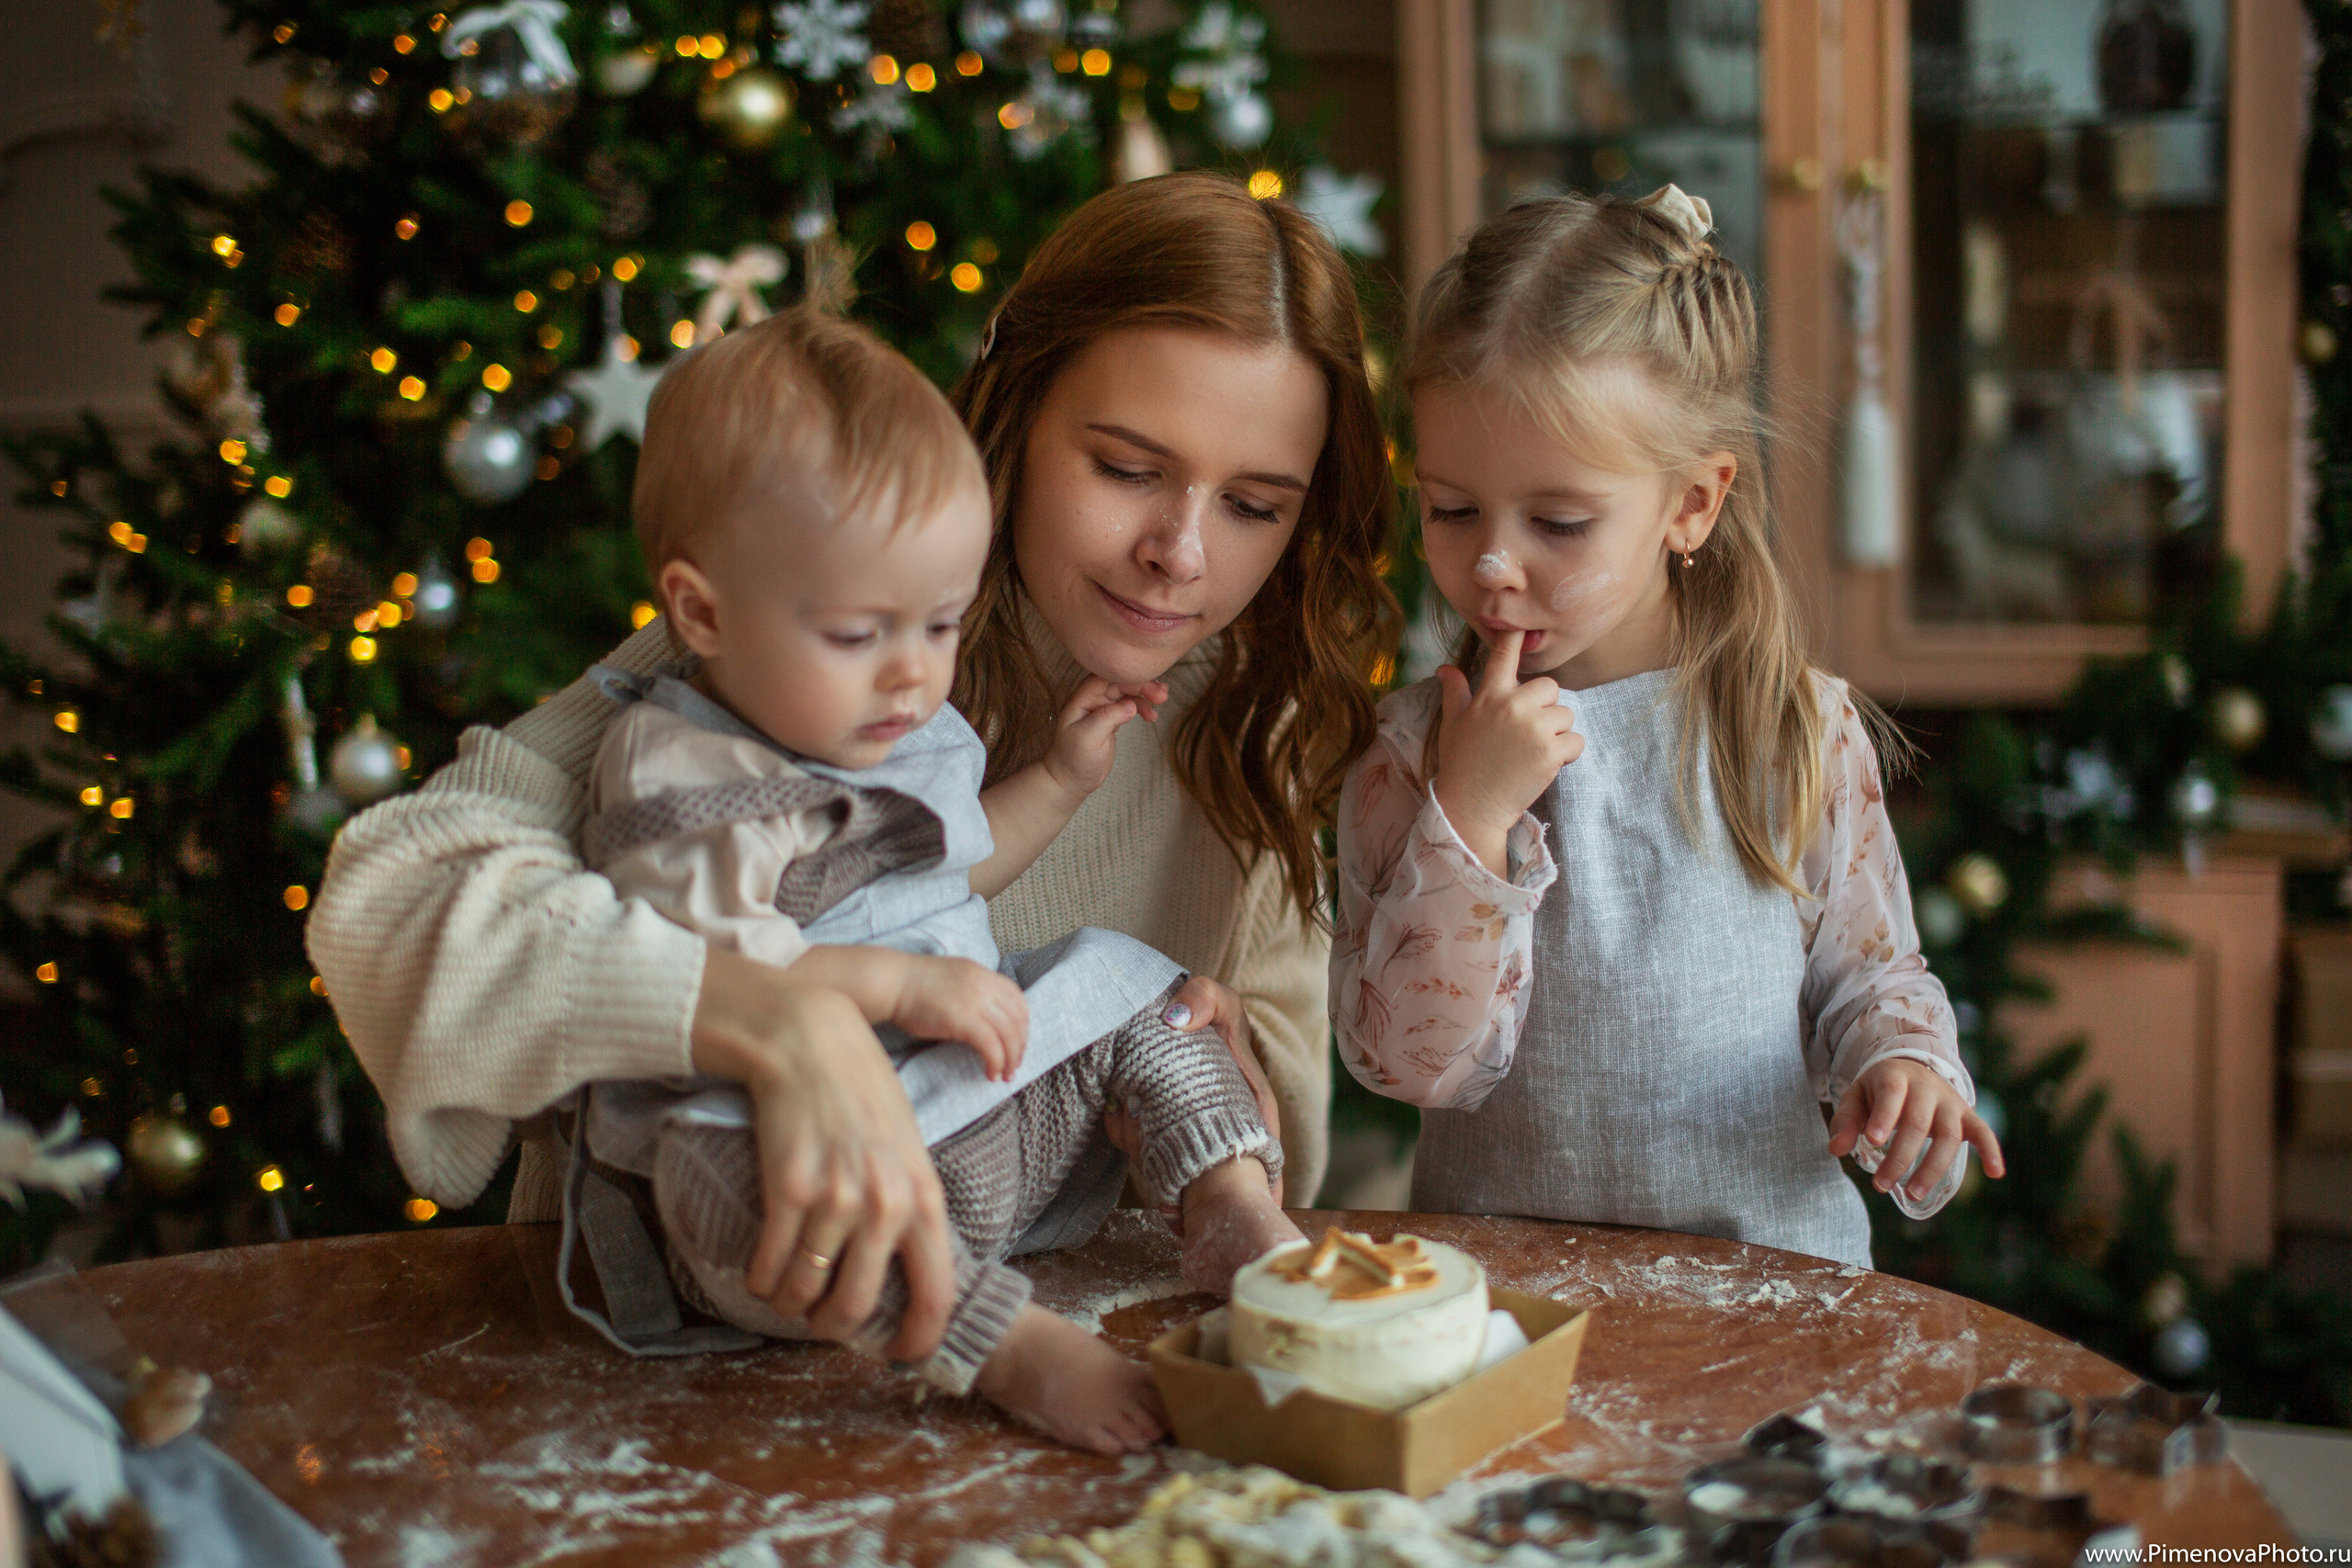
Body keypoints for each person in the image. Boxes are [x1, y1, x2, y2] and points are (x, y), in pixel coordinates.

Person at [306, 170, 1394, 1359]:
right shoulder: (815, 629)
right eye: (1128, 468)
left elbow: (1285, 1134)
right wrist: (765, 1014)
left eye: (1253, 503)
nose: (1179, 554)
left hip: (999, 1366)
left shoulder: (1255, 715)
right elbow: (385, 896)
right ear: (1017, 411)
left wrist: (1211, 1076)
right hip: (685, 1346)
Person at [570, 310, 1298, 1453]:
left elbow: (943, 874)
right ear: (702, 612)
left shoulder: (891, 715)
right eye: (861, 631)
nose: (914, 672)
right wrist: (894, 990)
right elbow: (688, 982)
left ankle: (1228, 1209)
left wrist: (1055, 783)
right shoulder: (690, 774)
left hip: (976, 1101)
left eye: (943, 622)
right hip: (804, 1173)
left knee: (1140, 989)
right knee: (723, 1185)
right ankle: (1000, 1342)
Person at [1329, 186, 2006, 1269]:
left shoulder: (1796, 732)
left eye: (1558, 521)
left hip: (1770, 1293)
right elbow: (1404, 1063)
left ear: (1691, 505)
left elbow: (1871, 978)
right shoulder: (1412, 752)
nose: (1493, 564)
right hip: (1510, 1313)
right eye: (1450, 509)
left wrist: (1907, 1062)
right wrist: (1471, 814)